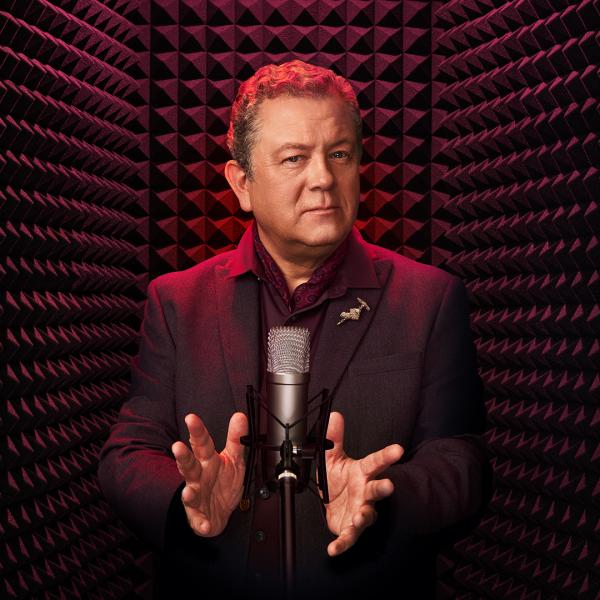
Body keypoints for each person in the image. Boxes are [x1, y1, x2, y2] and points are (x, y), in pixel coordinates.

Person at [98, 60, 488, 599]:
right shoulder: (176, 301)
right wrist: (182, 501)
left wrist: (387, 496)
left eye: (340, 154)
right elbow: (128, 451)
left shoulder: (430, 298)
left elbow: (461, 460)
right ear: (242, 183)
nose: (323, 178)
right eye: (294, 158)